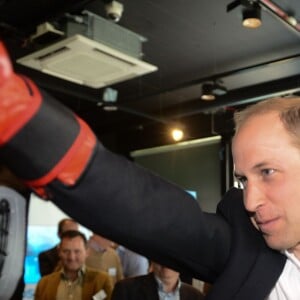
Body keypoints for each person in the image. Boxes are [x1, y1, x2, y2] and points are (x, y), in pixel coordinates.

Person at [0, 40, 300, 300]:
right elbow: (151, 213)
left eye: (268, 172)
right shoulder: (247, 245)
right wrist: (19, 118)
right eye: (243, 180)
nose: (249, 201)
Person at [34, 230, 113, 300]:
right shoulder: (44, 284)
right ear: (59, 252)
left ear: (87, 252)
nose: (71, 257)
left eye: (77, 251)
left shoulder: (102, 281)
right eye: (66, 251)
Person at [111, 261, 204, 300]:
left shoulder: (196, 297)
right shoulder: (126, 289)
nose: (167, 261)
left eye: (173, 256)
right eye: (162, 254)